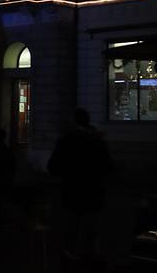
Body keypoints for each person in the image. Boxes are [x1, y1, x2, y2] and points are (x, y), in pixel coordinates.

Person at [47, 107, 113, 263]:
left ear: (74, 121)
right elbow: (108, 167)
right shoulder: (97, 141)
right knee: (91, 226)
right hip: (93, 190)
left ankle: (70, 253)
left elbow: (53, 168)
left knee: (72, 225)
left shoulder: (66, 141)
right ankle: (90, 254)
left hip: (72, 190)